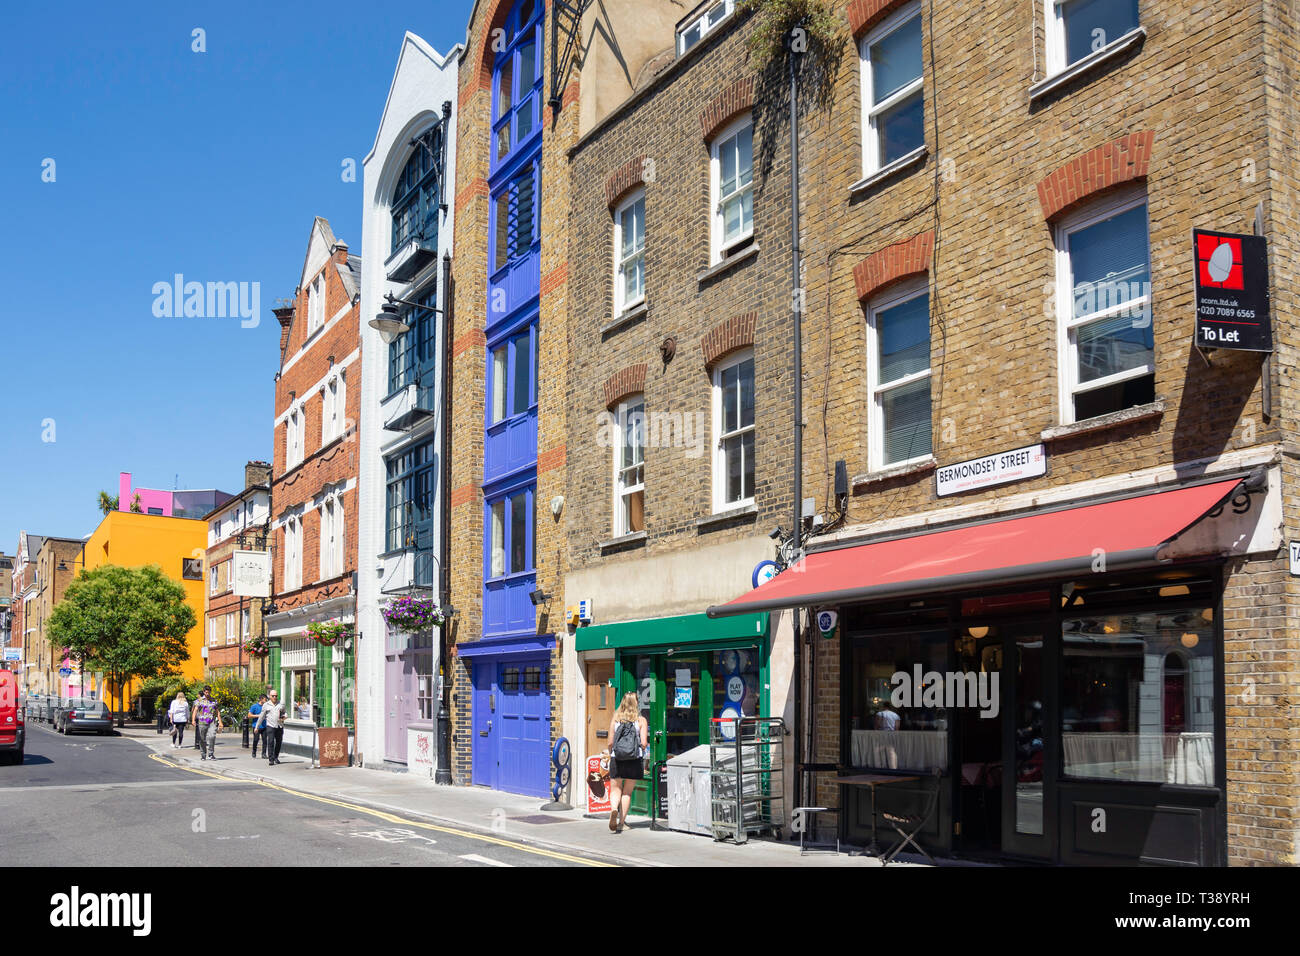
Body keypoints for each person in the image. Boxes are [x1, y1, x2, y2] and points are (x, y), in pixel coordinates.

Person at [604, 692, 648, 833]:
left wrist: (611, 753)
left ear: (622, 703)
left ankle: (613, 810)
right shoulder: (641, 721)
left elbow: (610, 742)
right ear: (636, 704)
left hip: (617, 758)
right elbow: (643, 743)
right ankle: (622, 823)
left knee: (616, 789)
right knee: (627, 792)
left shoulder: (615, 720)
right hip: (634, 759)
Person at [192, 686, 223, 760]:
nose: (207, 694)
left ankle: (211, 754)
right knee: (202, 739)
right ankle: (203, 754)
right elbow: (195, 710)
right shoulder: (199, 700)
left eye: (208, 692)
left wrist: (220, 722)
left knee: (212, 736)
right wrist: (193, 720)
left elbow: (217, 711)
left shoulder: (214, 701)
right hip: (202, 722)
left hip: (212, 721)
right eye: (206, 692)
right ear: (203, 692)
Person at [261, 690, 285, 765]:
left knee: (279, 742)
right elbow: (261, 716)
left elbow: (284, 713)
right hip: (270, 726)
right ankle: (271, 759)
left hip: (279, 725)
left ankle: (276, 757)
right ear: (270, 696)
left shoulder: (281, 704)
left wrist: (284, 717)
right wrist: (257, 727)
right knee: (270, 742)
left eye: (276, 696)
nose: (275, 697)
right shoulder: (266, 705)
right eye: (273, 696)